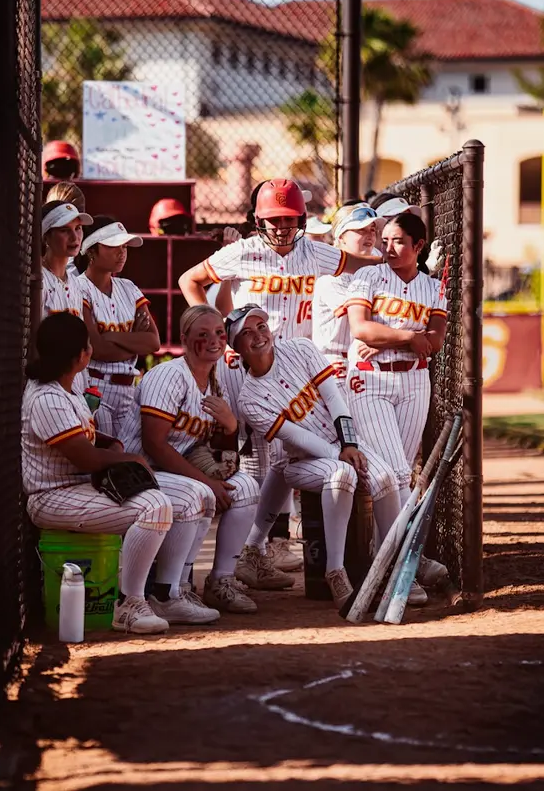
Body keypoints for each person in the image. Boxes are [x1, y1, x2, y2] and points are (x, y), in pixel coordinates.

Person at [179, 178, 379, 585]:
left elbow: (355, 263)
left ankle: (254, 550)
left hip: (292, 365)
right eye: (273, 220)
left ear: (301, 220)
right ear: (259, 221)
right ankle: (233, 559)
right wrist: (217, 329)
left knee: (280, 459)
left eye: (289, 219)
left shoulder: (313, 252)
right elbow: (190, 280)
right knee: (244, 460)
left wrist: (399, 262)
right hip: (243, 364)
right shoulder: (243, 251)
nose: (282, 227)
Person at [230, 306, 403, 609]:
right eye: (247, 333)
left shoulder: (300, 348)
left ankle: (394, 566)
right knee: (342, 474)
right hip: (301, 462)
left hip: (343, 443)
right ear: (237, 348)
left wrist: (349, 444)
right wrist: (341, 455)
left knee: (385, 478)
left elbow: (334, 397)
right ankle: (335, 571)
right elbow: (298, 439)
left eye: (261, 326)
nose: (258, 335)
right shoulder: (249, 399)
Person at [22, 312, 173, 635]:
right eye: (87, 344)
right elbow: (86, 459)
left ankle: (168, 592)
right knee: (155, 508)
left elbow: (84, 438)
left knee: (164, 501)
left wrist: (110, 443)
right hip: (52, 496)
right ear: (80, 355)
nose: (90, 350)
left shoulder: (66, 386)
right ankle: (129, 603)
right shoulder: (47, 397)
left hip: (76, 488)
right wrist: (131, 458)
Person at [119, 305, 264, 613]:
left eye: (219, 333)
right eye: (203, 334)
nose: (214, 340)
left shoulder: (215, 383)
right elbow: (154, 444)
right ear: (184, 339)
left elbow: (220, 453)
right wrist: (207, 482)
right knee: (198, 493)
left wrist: (231, 427)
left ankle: (220, 581)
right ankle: (171, 591)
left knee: (247, 487)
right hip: (139, 469)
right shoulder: (169, 376)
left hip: (175, 470)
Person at [345, 212, 449, 601]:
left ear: (419, 246)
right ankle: (409, 562)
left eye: (398, 241)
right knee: (396, 472)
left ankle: (384, 558)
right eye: (384, 239)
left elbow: (434, 342)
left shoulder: (433, 287)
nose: (387, 247)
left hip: (414, 381)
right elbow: (361, 329)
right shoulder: (368, 276)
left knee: (397, 480)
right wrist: (407, 335)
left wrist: (388, 336)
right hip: (370, 379)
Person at [77, 216, 161, 437]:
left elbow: (153, 342)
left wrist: (112, 336)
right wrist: (135, 341)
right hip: (94, 386)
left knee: (127, 449)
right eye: (113, 246)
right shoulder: (79, 288)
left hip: (128, 390)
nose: (122, 252)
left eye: (124, 246)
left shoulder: (128, 287)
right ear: (91, 251)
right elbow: (97, 349)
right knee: (104, 448)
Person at [312, 204, 381, 387]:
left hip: (368, 356)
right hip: (335, 362)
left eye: (372, 229)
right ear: (341, 236)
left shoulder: (378, 262)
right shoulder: (330, 276)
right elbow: (363, 317)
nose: (369, 235)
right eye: (360, 230)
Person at [41, 201, 92, 322]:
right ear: (46, 237)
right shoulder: (39, 280)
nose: (74, 237)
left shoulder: (76, 283)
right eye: (64, 230)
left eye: (78, 228)